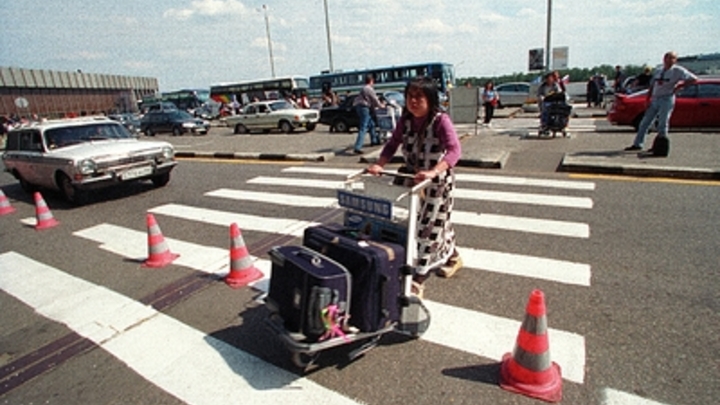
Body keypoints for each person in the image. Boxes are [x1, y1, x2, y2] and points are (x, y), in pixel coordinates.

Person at [366, 77, 463, 297]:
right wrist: (379, 164)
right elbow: (392, 144)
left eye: (419, 96)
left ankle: (418, 278)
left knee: (427, 228)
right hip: (412, 178)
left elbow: (454, 151)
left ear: (430, 99)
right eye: (410, 96)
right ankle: (454, 256)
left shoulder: (441, 120)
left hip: (436, 182)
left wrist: (434, 171)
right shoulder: (406, 119)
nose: (413, 101)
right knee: (429, 224)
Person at [624, 51, 697, 152]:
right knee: (645, 122)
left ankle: (660, 145)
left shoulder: (678, 71)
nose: (669, 60)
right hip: (655, 98)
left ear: (675, 60)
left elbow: (694, 79)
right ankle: (638, 144)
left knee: (663, 123)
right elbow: (653, 85)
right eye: (667, 58)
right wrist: (648, 98)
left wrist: (680, 85)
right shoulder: (659, 70)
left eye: (672, 58)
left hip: (666, 98)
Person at [352, 74, 384, 154]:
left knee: (371, 124)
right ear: (371, 81)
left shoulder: (363, 88)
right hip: (364, 108)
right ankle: (357, 147)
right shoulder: (369, 89)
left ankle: (374, 140)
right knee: (363, 127)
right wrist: (381, 106)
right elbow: (375, 99)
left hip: (359, 107)